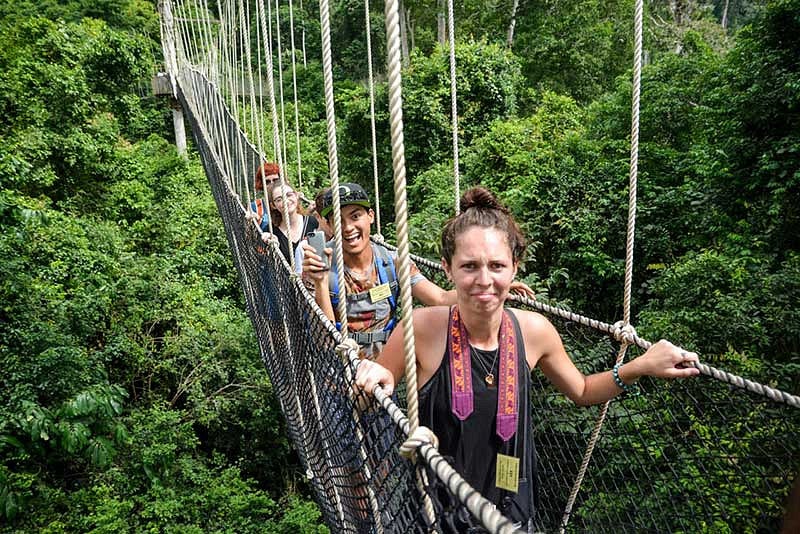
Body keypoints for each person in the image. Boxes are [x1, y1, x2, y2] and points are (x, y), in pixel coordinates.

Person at [355, 187, 700, 531]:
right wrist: (371, 379)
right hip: (434, 516)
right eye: (469, 266)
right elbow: (365, 401)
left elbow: (581, 391)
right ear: (447, 268)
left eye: (497, 266)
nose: (485, 280)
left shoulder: (535, 331)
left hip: (511, 515)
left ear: (515, 268)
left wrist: (640, 366)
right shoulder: (421, 328)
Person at [302, 183, 536, 360]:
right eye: (339, 221)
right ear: (329, 226)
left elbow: (439, 298)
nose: (349, 228)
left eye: (356, 216)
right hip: (336, 369)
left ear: (370, 216)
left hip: (382, 370)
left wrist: (493, 287)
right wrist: (321, 283)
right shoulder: (317, 264)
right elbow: (323, 339)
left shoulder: (391, 262)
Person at [268, 181, 319, 264]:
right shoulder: (270, 231)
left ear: (296, 195)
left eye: (289, 195)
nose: (286, 201)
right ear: (273, 205)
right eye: (279, 199)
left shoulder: (314, 222)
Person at [251, 161, 282, 232]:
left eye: (275, 180)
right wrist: (251, 223)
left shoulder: (289, 202)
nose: (272, 184)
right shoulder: (255, 207)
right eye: (267, 182)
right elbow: (248, 237)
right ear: (261, 184)